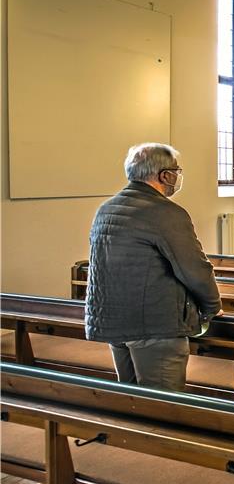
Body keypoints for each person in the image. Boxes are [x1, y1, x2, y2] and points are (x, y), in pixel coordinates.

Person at [85, 143, 221, 391]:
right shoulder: (164, 212)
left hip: (114, 321)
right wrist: (211, 306)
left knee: (132, 400)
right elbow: (194, 269)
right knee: (162, 405)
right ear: (164, 175)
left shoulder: (106, 209)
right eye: (176, 171)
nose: (178, 176)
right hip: (155, 324)